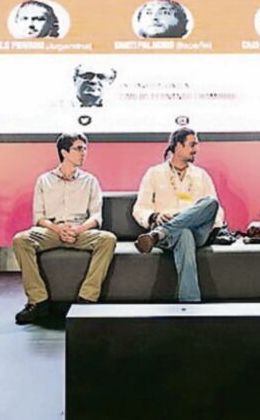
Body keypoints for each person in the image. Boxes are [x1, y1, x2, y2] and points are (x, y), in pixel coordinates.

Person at [11, 133, 116, 324]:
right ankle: (38, 301)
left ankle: (87, 298)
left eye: (85, 149)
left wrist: (79, 229)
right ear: (64, 152)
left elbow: (96, 216)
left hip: (80, 231)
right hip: (52, 230)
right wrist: (58, 229)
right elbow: (39, 217)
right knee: (21, 240)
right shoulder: (44, 180)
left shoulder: (90, 181)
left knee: (108, 239)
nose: (83, 153)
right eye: (79, 149)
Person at [132, 127, 224, 302]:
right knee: (184, 233)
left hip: (198, 231)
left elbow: (217, 211)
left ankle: (159, 233)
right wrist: (155, 216)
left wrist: (209, 225)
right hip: (172, 232)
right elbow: (140, 208)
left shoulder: (201, 175)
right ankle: (190, 304)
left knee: (211, 202)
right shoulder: (154, 173)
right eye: (192, 144)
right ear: (178, 146)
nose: (196, 149)